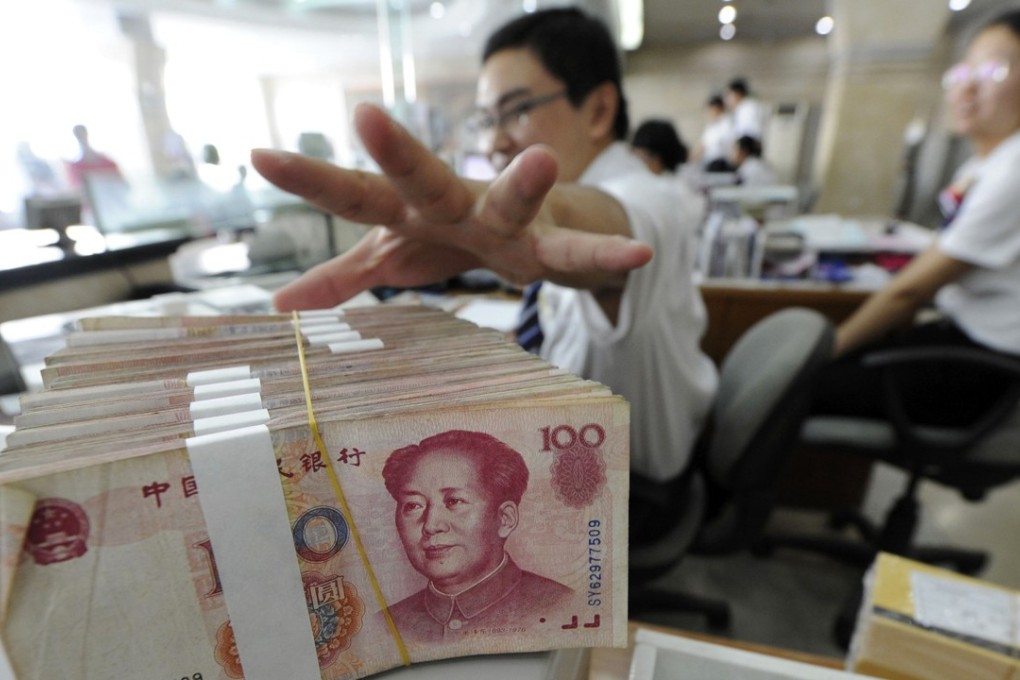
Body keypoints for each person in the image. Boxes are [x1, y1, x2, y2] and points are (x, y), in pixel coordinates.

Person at [252, 7, 718, 486]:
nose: (495, 140)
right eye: (485, 119)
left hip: (636, 494)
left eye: (516, 111)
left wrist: (542, 215)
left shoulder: (653, 198)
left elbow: (612, 229)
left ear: (599, 110)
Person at [811, 9, 1020, 426]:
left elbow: (909, 293)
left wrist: (821, 353)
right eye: (963, 72)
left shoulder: (1014, 170)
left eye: (994, 70)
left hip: (986, 363)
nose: (968, 88)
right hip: (955, 334)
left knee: (803, 384)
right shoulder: (983, 166)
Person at [381, 429, 573, 643]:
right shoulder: (385, 626)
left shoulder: (564, 607)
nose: (431, 525)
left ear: (504, 519)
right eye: (414, 505)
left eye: (454, 501)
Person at [66, 124, 122, 192]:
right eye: (78, 134)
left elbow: (122, 183)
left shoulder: (107, 162)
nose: (81, 136)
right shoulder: (76, 167)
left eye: (82, 133)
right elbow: (76, 190)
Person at [691, 94, 735, 171]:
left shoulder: (727, 123)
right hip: (709, 162)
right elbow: (702, 145)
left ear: (718, 108)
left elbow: (716, 143)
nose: (709, 113)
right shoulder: (711, 125)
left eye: (710, 109)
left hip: (721, 163)